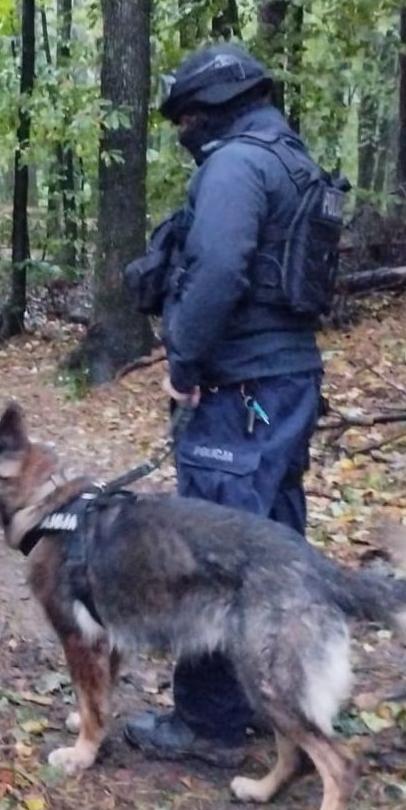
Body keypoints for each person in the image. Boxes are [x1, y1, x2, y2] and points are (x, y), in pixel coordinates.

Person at [125, 44, 327, 767]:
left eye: (184, 118)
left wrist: (184, 360)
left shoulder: (236, 165)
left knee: (214, 550)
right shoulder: (291, 159)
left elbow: (216, 269)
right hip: (286, 382)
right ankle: (281, 702)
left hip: (241, 390)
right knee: (275, 544)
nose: (183, 132)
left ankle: (210, 718)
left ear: (209, 106)